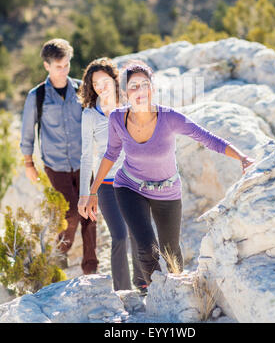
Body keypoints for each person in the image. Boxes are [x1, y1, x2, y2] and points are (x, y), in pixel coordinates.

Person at [85, 61, 255, 288]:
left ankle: (176, 290)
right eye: (133, 86)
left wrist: (243, 158)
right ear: (125, 92)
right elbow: (110, 154)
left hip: (167, 191)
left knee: (170, 251)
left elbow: (206, 138)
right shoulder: (118, 118)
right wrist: (93, 190)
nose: (140, 91)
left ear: (152, 89)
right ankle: (155, 293)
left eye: (144, 85)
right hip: (130, 187)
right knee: (146, 247)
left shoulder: (169, 118)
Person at [20, 38, 98, 275]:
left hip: (83, 163)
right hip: (55, 167)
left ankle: (90, 268)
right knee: (72, 212)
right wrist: (28, 163)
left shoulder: (81, 89)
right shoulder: (37, 96)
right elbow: (27, 131)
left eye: (66, 65)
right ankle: (58, 257)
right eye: (58, 67)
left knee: (90, 214)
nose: (63, 71)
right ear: (47, 66)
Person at [77, 58, 147, 292]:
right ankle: (123, 291)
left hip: (133, 180)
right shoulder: (89, 115)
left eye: (103, 80)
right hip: (106, 184)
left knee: (139, 233)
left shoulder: (129, 105)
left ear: (114, 80)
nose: (99, 86)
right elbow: (86, 156)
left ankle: (143, 283)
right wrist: (84, 195)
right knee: (119, 236)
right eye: (94, 83)